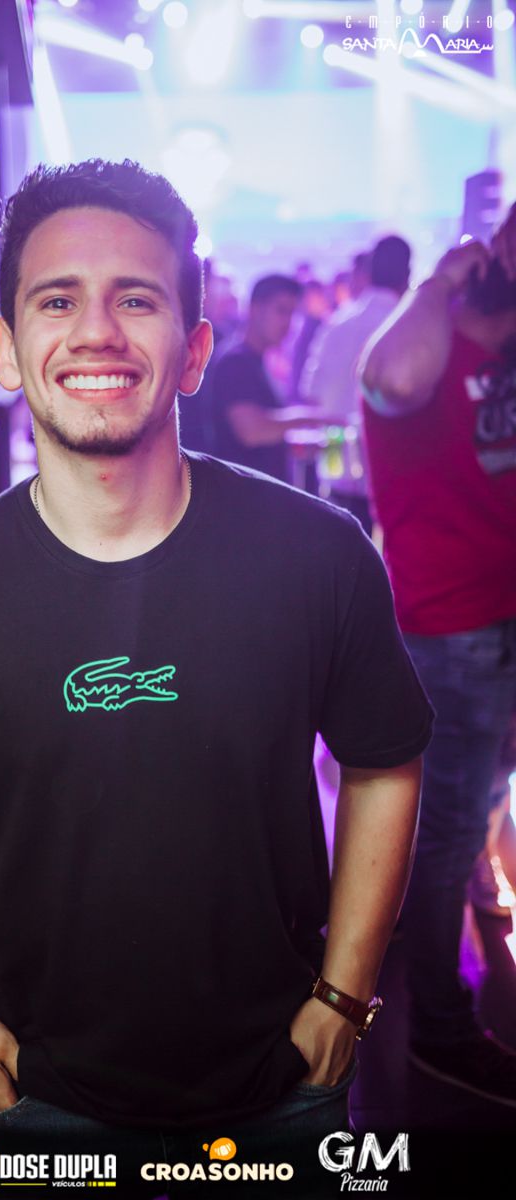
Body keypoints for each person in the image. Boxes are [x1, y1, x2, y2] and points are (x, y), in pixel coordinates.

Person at [0, 160, 431, 1195]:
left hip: (281, 1078)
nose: (95, 333)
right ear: (7, 348)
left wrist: (344, 996)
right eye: (56, 300)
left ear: (194, 350)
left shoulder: (318, 556)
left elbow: (384, 760)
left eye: (136, 300)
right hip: (31, 1090)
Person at [360, 206, 516, 1107]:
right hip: (450, 626)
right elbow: (388, 377)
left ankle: (414, 922)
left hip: (502, 614)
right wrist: (438, 280)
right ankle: (437, 1030)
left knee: (485, 789)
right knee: (446, 822)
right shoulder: (426, 344)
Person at [301, 235, 411, 533]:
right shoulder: (406, 324)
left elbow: (312, 393)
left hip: (335, 455)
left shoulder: (336, 323)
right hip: (387, 463)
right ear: (407, 273)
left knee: (339, 544)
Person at [206, 274, 328, 483]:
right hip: (243, 494)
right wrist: (307, 419)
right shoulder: (235, 361)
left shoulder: (258, 360)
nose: (288, 323)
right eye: (281, 311)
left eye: (293, 314)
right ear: (254, 309)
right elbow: (251, 431)